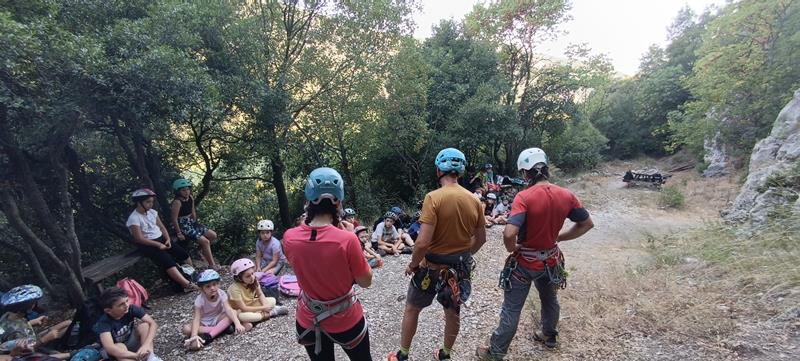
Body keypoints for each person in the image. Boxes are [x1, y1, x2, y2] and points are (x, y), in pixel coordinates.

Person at [477, 148, 594, 360]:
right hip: (550, 259)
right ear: (546, 169)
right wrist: (559, 238)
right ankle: (549, 336)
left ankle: (496, 352)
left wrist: (512, 248)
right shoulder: (567, 195)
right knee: (550, 300)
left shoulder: (524, 197)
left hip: (524, 262)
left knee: (512, 309)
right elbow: (586, 224)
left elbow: (509, 232)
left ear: (525, 174)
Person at [389, 148, 487, 361]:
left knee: (412, 309)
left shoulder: (433, 198)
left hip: (430, 267)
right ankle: (445, 354)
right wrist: (462, 255)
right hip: (458, 269)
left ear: (438, 171)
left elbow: (423, 242)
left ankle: (402, 355)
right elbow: (480, 239)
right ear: (459, 172)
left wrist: (413, 264)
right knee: (452, 312)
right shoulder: (474, 200)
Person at [283, 167, 373, 360]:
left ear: (308, 200)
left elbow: (306, 259)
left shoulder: (289, 238)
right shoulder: (347, 240)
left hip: (308, 319)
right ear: (338, 202)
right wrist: (350, 238)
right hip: (346, 320)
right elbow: (365, 281)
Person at [127, 188, 196, 292]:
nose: (150, 204)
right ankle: (186, 285)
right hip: (147, 244)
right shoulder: (134, 218)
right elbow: (139, 238)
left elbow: (162, 228)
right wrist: (157, 245)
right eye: (147, 202)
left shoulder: (152, 212)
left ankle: (192, 275)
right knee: (168, 261)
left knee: (183, 254)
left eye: (152, 202)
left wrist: (167, 239)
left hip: (161, 238)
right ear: (138, 202)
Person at [182, 270, 250, 351]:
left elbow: (228, 309)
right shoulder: (199, 300)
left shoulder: (221, 294)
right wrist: (194, 335)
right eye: (208, 286)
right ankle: (222, 329)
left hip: (218, 318)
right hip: (205, 322)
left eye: (214, 284)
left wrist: (237, 323)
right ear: (202, 289)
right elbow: (197, 318)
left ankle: (214, 333)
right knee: (186, 329)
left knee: (234, 312)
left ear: (218, 284)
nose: (212, 288)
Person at [0, 285, 71, 360]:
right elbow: (28, 354)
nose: (34, 304)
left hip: (31, 338)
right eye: (33, 303)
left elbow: (15, 326)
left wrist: (33, 322)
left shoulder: (9, 316)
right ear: (25, 307)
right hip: (33, 350)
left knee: (68, 323)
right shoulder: (17, 333)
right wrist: (45, 339)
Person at [93, 287, 161, 361]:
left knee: (144, 326)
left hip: (130, 341)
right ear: (108, 310)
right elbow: (110, 347)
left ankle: (150, 357)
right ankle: (142, 356)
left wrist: (146, 345)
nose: (126, 305)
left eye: (127, 301)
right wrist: (136, 356)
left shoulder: (131, 309)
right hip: (118, 352)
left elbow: (153, 324)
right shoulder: (104, 322)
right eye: (121, 304)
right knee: (119, 346)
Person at [170, 178, 219, 270]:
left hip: (191, 222)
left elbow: (193, 211)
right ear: (178, 191)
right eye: (183, 190)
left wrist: (195, 222)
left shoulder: (190, 198)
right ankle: (212, 265)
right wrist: (179, 232)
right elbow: (174, 219)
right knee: (205, 241)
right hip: (182, 224)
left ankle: (198, 251)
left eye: (187, 189)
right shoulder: (177, 202)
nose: (186, 192)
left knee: (213, 235)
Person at [227, 258, 288, 324]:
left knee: (272, 300)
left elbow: (260, 294)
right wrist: (263, 308)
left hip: (253, 304)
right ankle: (271, 313)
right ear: (239, 278)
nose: (252, 277)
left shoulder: (254, 281)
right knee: (242, 317)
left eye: (252, 273)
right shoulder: (234, 289)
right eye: (248, 276)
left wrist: (265, 306)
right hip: (241, 311)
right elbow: (243, 308)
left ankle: (262, 313)